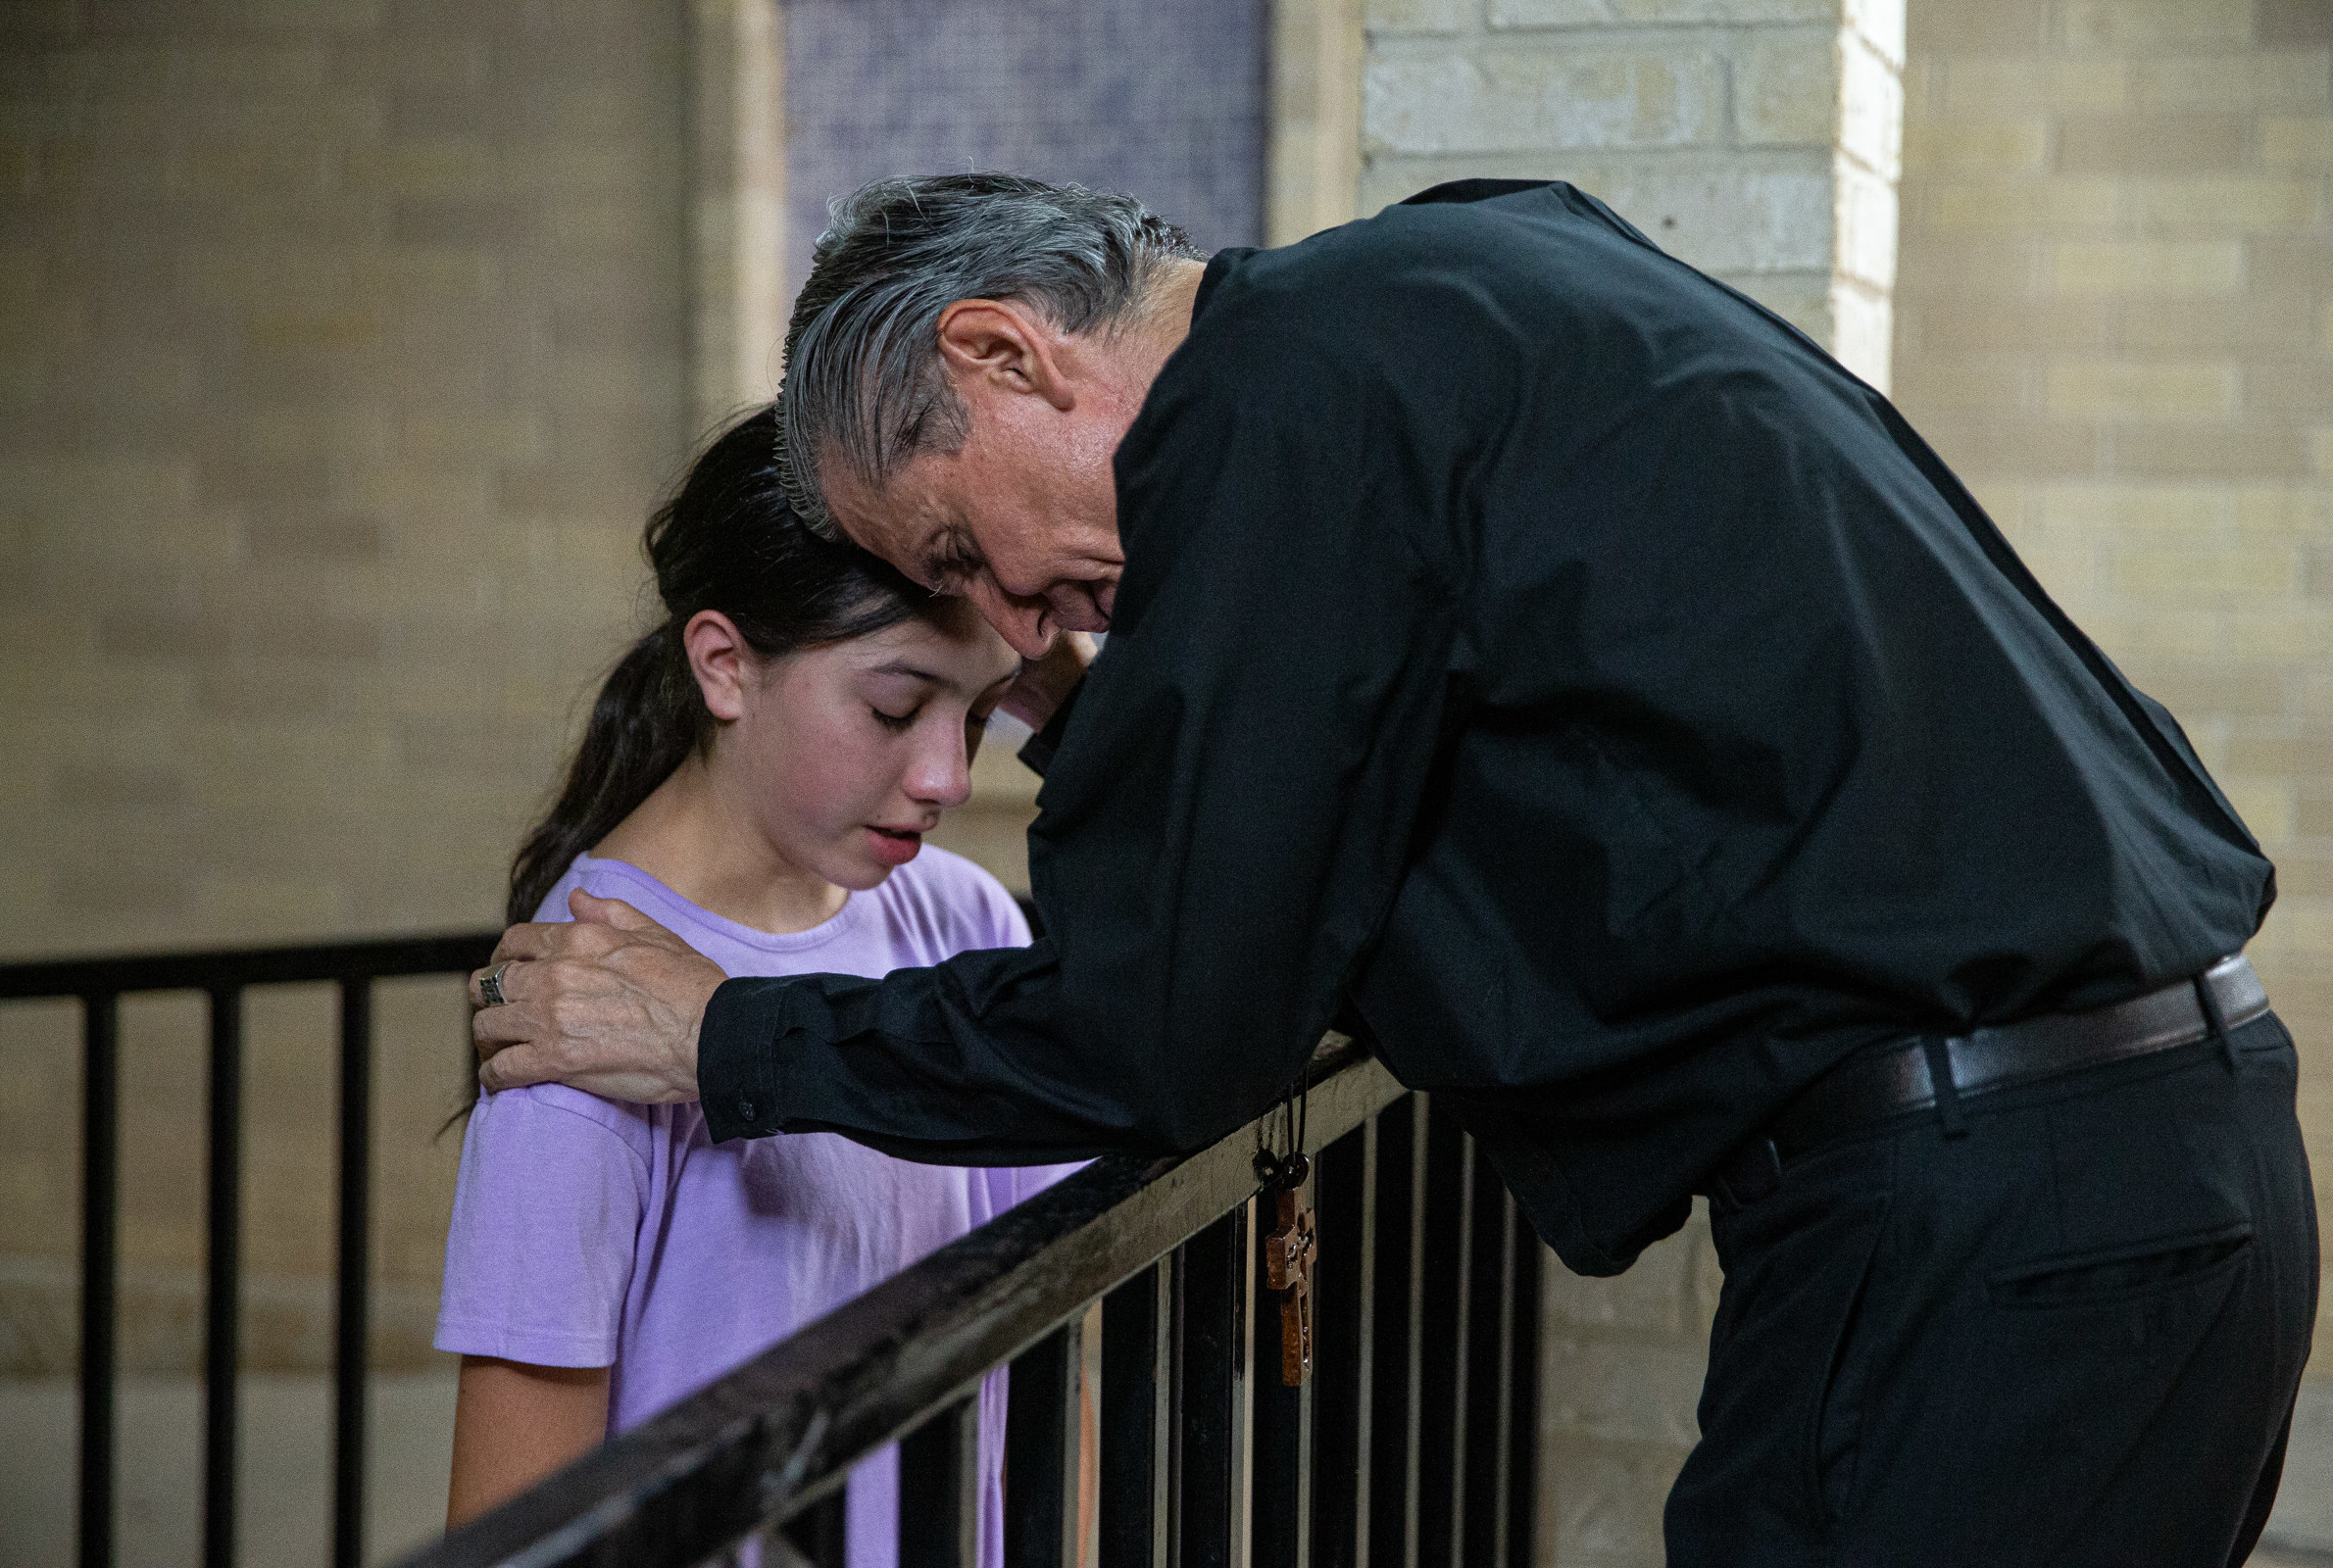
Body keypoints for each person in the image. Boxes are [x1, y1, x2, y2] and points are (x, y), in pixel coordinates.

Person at [469, 175, 2317, 1566]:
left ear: (1004, 354)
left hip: (1996, 1228)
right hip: (2145, 1162)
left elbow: (1162, 1023)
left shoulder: (1273, 426)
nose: (1009, 617)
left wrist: (729, 1039)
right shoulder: (1453, 279)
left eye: (963, 542)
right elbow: (1308, 859)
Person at [436, 405, 1072, 1566]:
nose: (945, 776)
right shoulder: (578, 1021)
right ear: (725, 664)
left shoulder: (961, 916)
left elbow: (1071, 1316)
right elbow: (511, 1529)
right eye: (895, 706)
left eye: (980, 712)